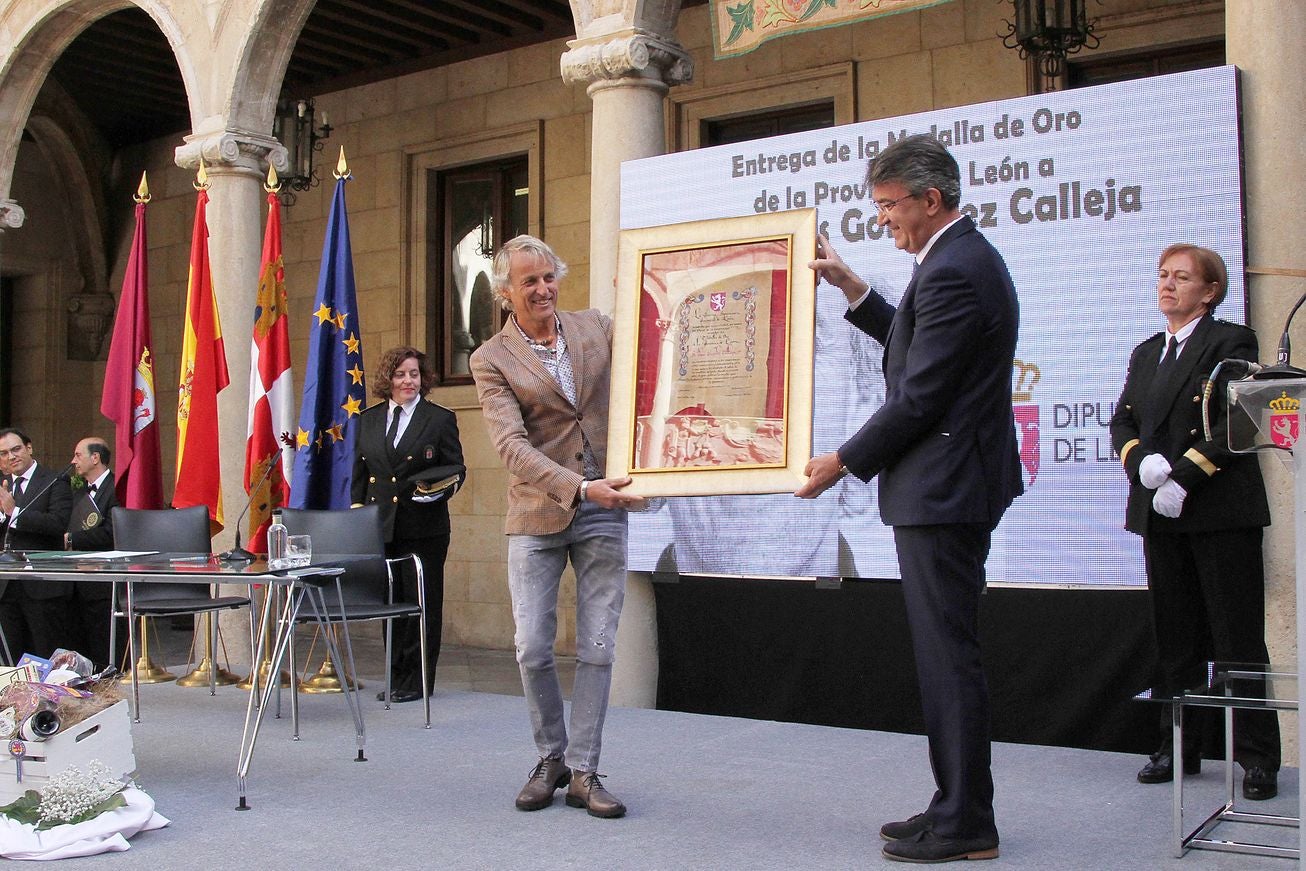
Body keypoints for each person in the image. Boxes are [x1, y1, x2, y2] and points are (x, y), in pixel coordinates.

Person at [798, 134, 1021, 863]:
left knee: (949, 655)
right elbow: (914, 346)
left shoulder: (957, 269)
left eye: (891, 206)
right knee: (940, 653)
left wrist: (841, 461)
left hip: (945, 490)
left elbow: (921, 393)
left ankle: (967, 824)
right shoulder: (951, 262)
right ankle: (952, 801)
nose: (884, 219)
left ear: (932, 200)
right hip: (940, 487)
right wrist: (854, 289)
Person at [470, 234, 644, 819]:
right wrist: (576, 487)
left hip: (605, 509)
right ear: (505, 293)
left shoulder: (595, 325)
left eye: (548, 277)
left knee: (597, 646)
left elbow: (651, 358)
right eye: (529, 282)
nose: (543, 289)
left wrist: (651, 292)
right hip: (537, 512)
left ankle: (586, 771)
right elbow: (511, 447)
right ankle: (551, 757)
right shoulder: (490, 357)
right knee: (532, 649)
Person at [1108, 244, 1280, 800]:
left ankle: (1256, 758)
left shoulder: (1230, 340)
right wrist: (1141, 462)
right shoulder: (1146, 351)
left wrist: (1185, 475)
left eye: (1181, 278)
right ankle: (1177, 746)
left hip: (1218, 510)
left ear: (1209, 291)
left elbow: (1239, 415)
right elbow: (1123, 421)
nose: (1168, 285)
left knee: (1236, 638)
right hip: (1161, 513)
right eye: (1162, 275)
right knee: (1174, 637)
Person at [351, 346, 465, 704]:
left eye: (414, 374)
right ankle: (395, 675)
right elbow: (361, 473)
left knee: (422, 603)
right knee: (391, 604)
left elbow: (456, 469)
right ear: (389, 379)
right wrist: (358, 514)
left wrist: (439, 493)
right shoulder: (368, 419)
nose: (408, 381)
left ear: (423, 379)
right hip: (382, 528)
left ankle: (418, 682)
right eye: (401, 374)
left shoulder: (439, 419)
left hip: (424, 527)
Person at [0, 427, 73, 660]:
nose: (11, 457)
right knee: (11, 655)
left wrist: (14, 512)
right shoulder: (3, 486)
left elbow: (58, 523)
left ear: (29, 448)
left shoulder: (54, 480)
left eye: (16, 449)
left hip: (41, 586)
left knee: (46, 654)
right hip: (6, 586)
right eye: (3, 453)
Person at [64, 437, 120, 665]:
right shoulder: (78, 492)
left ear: (95, 458)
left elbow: (113, 532)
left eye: (78, 455)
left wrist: (71, 539)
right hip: (79, 581)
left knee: (104, 643)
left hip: (105, 582)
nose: (73, 461)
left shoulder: (117, 487)